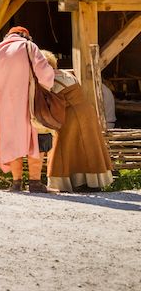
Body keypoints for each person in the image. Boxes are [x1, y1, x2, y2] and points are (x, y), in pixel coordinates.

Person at [0, 26, 55, 192]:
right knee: (35, 141)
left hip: (4, 107)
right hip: (29, 104)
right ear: (26, 36)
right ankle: (35, 183)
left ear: (8, 36)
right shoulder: (29, 47)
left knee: (12, 142)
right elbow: (45, 74)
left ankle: (16, 182)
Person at [41, 51, 114, 192]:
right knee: (88, 146)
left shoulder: (49, 79)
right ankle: (90, 183)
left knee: (66, 147)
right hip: (87, 112)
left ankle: (72, 183)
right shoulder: (65, 74)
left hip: (72, 113)